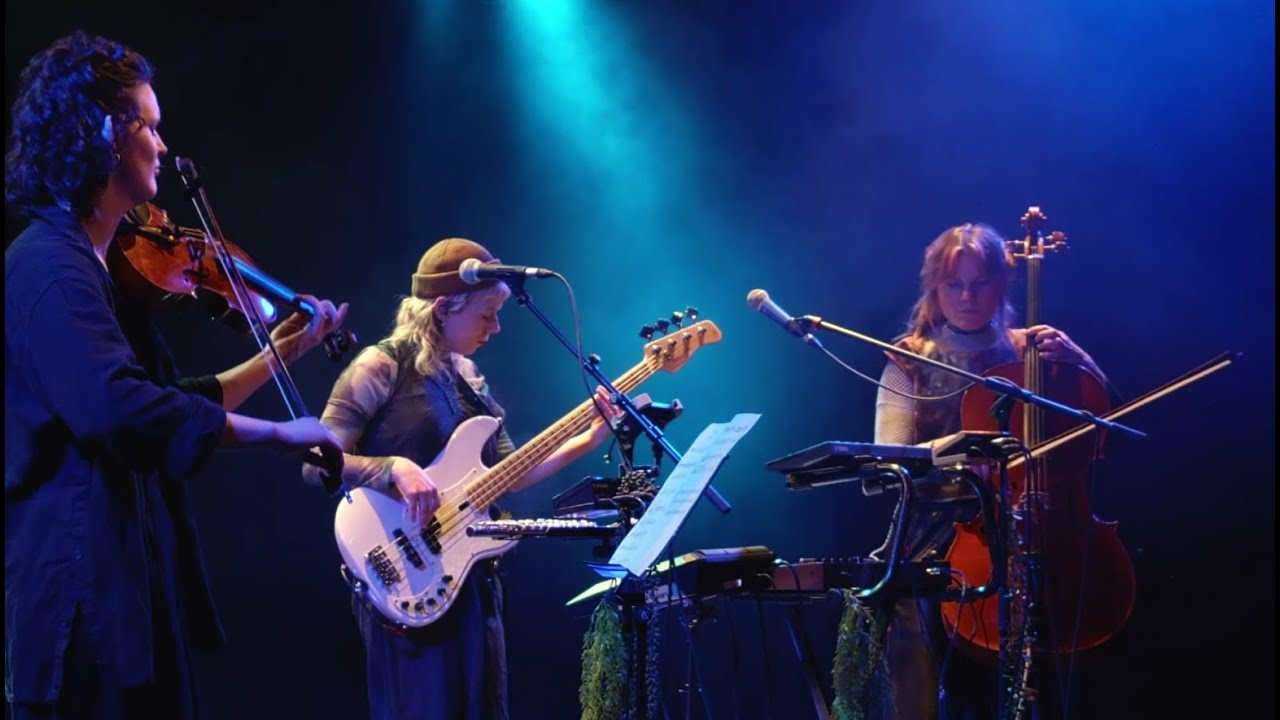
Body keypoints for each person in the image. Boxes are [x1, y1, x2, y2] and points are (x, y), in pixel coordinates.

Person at [5, 32, 349, 719]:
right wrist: (279, 435)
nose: (164, 147)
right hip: (80, 598)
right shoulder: (49, 265)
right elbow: (120, 409)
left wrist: (278, 354)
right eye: (151, 128)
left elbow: (170, 402)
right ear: (103, 131)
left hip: (117, 578)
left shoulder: (95, 269)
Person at [302, 237, 621, 720]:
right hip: (403, 574)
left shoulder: (467, 379)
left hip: (466, 578)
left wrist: (588, 439)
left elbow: (510, 475)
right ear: (443, 308)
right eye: (487, 313)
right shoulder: (379, 365)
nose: (495, 327)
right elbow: (313, 460)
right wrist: (392, 469)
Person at [872, 223, 1104, 720]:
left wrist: (1083, 362)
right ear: (935, 288)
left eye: (981, 283)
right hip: (938, 536)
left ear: (1002, 284)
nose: (967, 296)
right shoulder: (909, 358)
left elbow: (1103, 425)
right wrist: (959, 449)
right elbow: (887, 459)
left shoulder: (1031, 351)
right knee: (926, 693)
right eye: (954, 284)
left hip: (1030, 535)